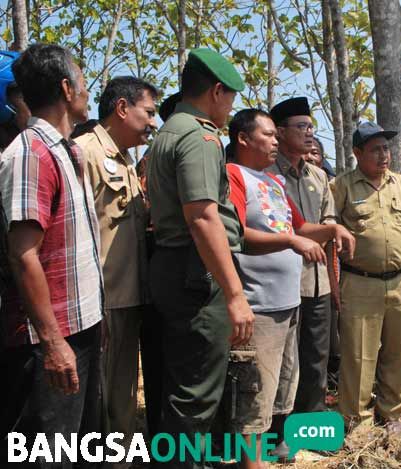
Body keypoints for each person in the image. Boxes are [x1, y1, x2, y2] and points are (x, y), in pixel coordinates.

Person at [225, 108, 354, 467]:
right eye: (268, 134)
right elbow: (235, 235)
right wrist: (291, 242)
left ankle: (269, 453)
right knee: (255, 392)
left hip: (288, 302)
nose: (275, 141)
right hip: (259, 303)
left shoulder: (273, 182)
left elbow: (301, 227)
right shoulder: (234, 176)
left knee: (281, 387)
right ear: (243, 139)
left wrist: (332, 230)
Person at [146, 48, 254, 467]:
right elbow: (204, 217)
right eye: (230, 98)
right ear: (216, 91)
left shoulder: (169, 131)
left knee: (182, 385)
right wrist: (233, 293)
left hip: (177, 266)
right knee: (195, 397)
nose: (230, 108)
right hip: (197, 273)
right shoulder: (200, 138)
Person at [0, 43, 102, 464]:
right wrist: (54, 344)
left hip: (81, 327)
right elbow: (24, 256)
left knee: (76, 446)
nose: (86, 89)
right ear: (65, 87)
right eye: (81, 79)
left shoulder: (69, 151)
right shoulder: (30, 155)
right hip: (50, 340)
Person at [72, 76, 157, 463]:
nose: (153, 123)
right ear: (122, 108)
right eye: (149, 112)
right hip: (102, 300)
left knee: (122, 395)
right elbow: (74, 234)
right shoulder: (84, 152)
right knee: (100, 400)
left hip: (130, 295)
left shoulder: (125, 159)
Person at [334, 121, 401, 435]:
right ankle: (357, 423)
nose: (383, 155)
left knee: (400, 352)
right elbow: (326, 236)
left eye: (386, 148)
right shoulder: (342, 187)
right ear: (357, 153)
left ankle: (392, 416)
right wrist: (333, 282)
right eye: (375, 149)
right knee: (358, 356)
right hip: (360, 282)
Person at [267, 98, 339, 423]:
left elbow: (329, 221)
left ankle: (311, 424)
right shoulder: (266, 175)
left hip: (318, 281)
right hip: (280, 283)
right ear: (280, 132)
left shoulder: (319, 177)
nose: (309, 133)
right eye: (301, 127)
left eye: (311, 127)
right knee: (283, 359)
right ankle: (277, 429)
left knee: (316, 357)